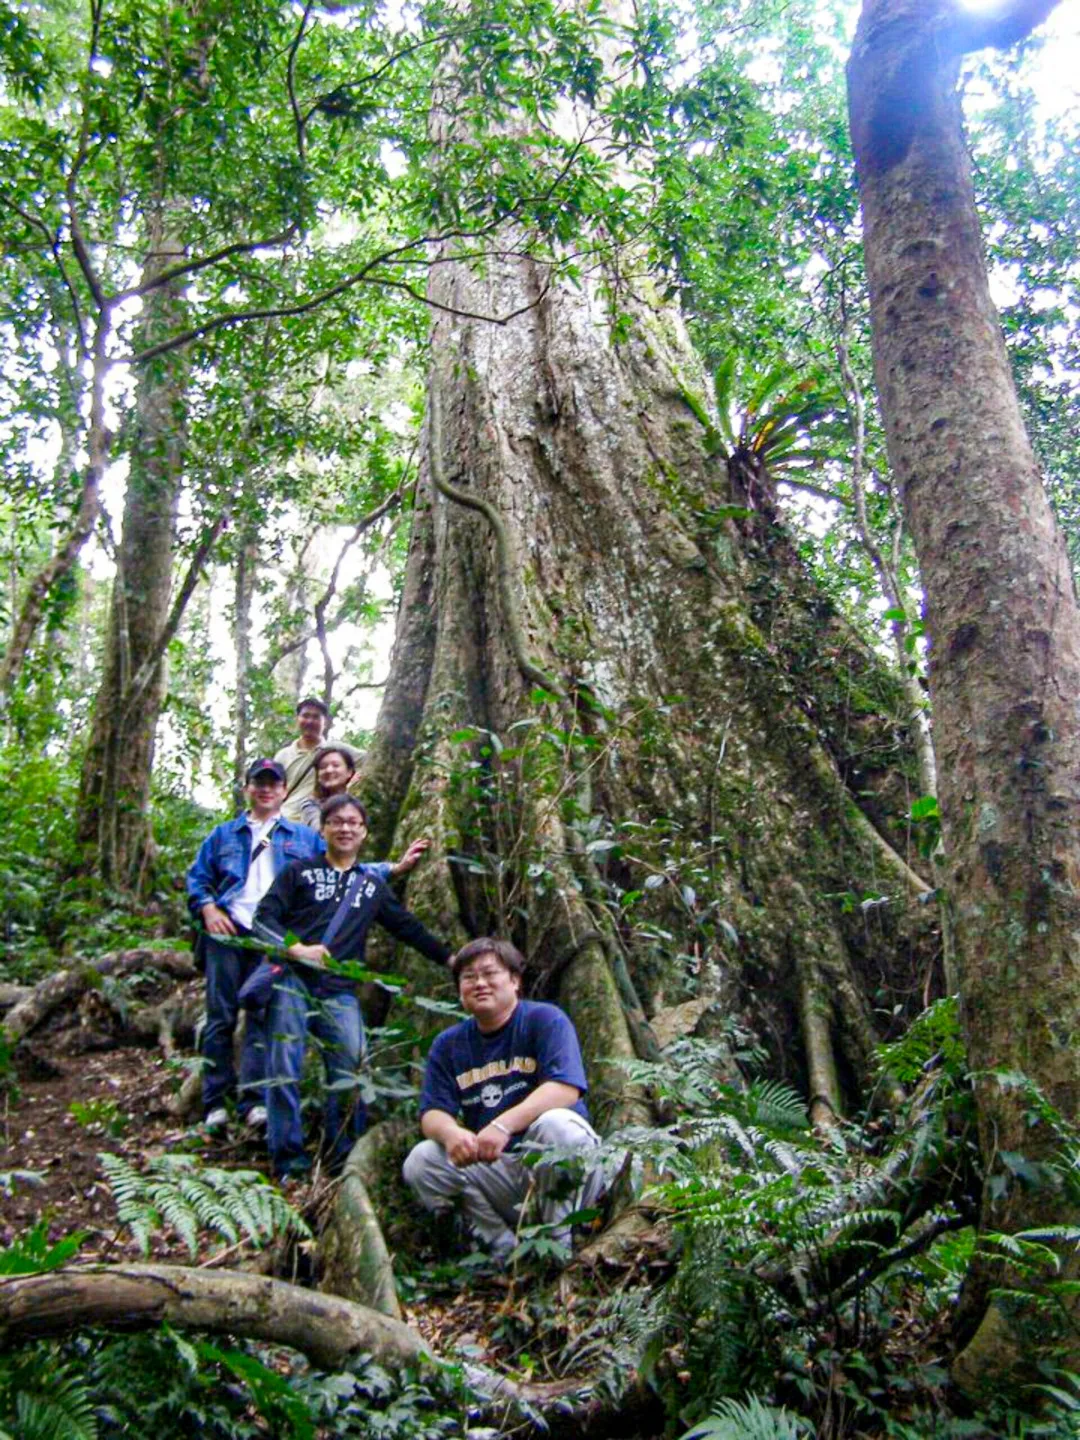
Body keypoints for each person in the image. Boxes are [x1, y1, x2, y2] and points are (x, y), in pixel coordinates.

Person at [252, 793, 452, 1179]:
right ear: (323, 829)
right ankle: (288, 1160)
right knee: (284, 1068)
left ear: (363, 832)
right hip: (291, 982)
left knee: (352, 1067)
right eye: (336, 821)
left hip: (340, 991)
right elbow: (264, 918)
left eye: (353, 823)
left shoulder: (370, 885)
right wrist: (296, 949)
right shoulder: (299, 872)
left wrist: (451, 959)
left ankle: (342, 1157)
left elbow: (407, 927)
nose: (345, 828)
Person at [402, 938, 606, 1266]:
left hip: (562, 1168)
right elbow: (432, 1112)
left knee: (557, 1125)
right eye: (468, 977)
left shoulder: (545, 1020)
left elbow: (565, 1088)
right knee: (422, 1161)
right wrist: (453, 1135)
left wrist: (502, 1125)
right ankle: (501, 1247)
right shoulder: (449, 1045)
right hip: (502, 1174)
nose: (479, 983)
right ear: (459, 990)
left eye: (489, 973)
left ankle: (560, 1245)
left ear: (514, 981)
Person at [186, 759, 324, 1134]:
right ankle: (215, 1103)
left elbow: (335, 870)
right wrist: (209, 907)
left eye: (273, 784)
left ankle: (253, 1102)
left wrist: (389, 868)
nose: (266, 789)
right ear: (247, 787)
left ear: (283, 791)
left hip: (273, 938)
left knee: (260, 1016)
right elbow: (197, 878)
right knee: (220, 1018)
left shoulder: (303, 838)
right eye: (258, 783)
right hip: (227, 934)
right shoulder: (223, 835)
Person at [275, 697, 330, 822]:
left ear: (325, 722)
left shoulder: (335, 751)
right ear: (297, 719)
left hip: (317, 823)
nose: (310, 721)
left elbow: (369, 760)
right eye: (305, 716)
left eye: (316, 717)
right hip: (285, 821)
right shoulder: (283, 756)